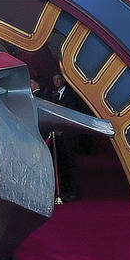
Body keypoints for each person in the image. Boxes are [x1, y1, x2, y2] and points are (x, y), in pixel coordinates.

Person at [45, 66, 87, 201]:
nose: (56, 82)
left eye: (58, 79)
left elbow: (74, 113)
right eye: (54, 80)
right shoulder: (53, 95)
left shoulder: (71, 95)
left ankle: (75, 192)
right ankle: (63, 191)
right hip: (57, 138)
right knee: (61, 165)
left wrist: (64, 129)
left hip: (69, 136)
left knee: (71, 164)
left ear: (63, 80)